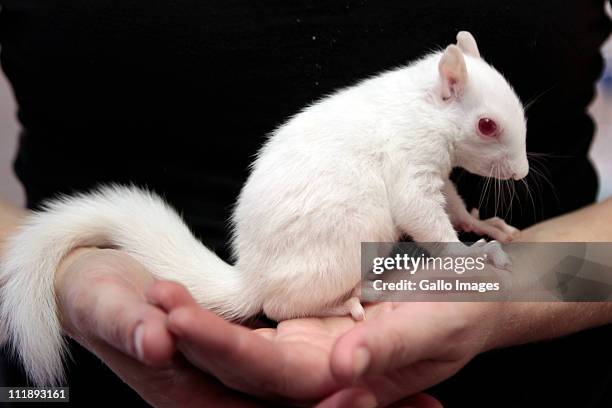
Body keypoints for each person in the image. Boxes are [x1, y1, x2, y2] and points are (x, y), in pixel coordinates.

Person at [0, 0, 611, 406]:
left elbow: (428, 195)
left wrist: (510, 294)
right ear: (447, 84)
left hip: (541, 357)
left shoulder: (416, 112)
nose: (518, 169)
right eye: (488, 132)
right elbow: (412, 198)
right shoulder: (411, 117)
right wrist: (66, 275)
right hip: (121, 364)